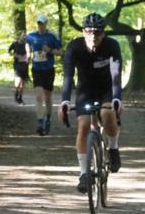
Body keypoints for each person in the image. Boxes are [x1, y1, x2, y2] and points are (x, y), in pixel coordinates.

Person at [58, 12, 123, 193]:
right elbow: (68, 77)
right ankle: (84, 173)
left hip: (106, 89)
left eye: (98, 32)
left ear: (104, 34)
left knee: (107, 114)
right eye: (90, 31)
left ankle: (113, 148)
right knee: (84, 125)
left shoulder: (112, 46)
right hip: (85, 90)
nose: (94, 36)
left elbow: (116, 75)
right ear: (83, 31)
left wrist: (117, 99)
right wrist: (64, 101)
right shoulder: (74, 47)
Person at [25, 14, 62, 135]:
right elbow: (25, 41)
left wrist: (50, 50)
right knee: (38, 97)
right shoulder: (32, 36)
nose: (40, 26)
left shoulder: (52, 37)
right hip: (36, 69)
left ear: (46, 24)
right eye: (38, 23)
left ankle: (48, 118)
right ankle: (40, 122)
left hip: (48, 70)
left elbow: (60, 52)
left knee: (47, 97)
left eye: (42, 23)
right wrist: (28, 53)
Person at [8, 30, 29, 104]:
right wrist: (15, 55)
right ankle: (16, 93)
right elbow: (9, 51)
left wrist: (26, 58)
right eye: (23, 35)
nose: (24, 37)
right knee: (18, 82)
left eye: (25, 36)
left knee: (22, 84)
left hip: (24, 64)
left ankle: (20, 98)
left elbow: (29, 53)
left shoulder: (26, 44)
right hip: (17, 64)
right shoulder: (14, 44)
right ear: (19, 36)